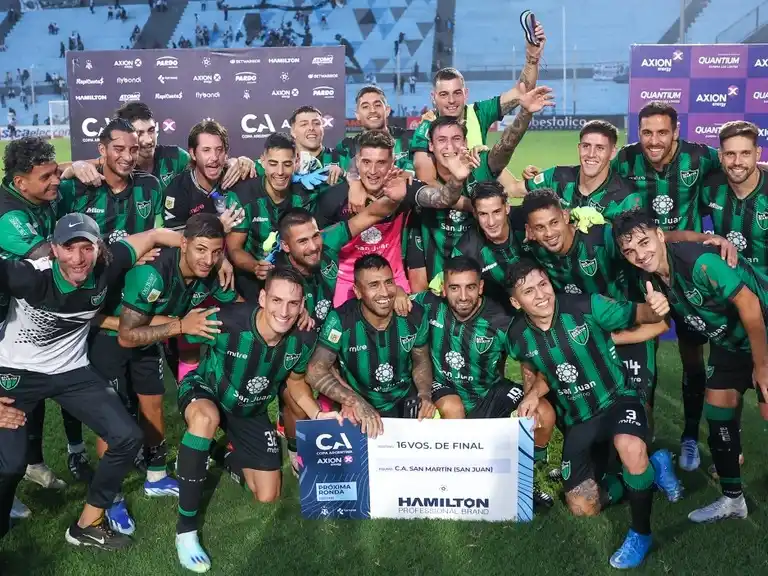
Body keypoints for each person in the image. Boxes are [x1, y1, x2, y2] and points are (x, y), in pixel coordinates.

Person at [0, 213, 182, 548]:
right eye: (69, 248)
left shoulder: (106, 267)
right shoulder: (26, 276)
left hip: (71, 371)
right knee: (9, 465)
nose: (79, 258)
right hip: (17, 373)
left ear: (99, 248)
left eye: (87, 247)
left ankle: (87, 524)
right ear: (54, 249)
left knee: (127, 436)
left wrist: (199, 247)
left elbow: (154, 234)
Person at [505, 259, 678, 569]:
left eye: (543, 284)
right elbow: (542, 372)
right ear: (516, 302)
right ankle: (652, 466)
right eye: (529, 291)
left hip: (617, 400)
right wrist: (531, 395)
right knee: (583, 506)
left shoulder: (587, 305)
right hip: (579, 421)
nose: (541, 295)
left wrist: (656, 305)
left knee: (630, 445)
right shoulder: (517, 336)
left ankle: (640, 533)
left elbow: (640, 314)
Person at [614, 209, 768, 524]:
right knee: (717, 412)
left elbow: (750, 304)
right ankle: (732, 500)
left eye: (645, 243)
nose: (640, 255)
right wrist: (610, 339)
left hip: (761, 328)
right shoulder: (650, 276)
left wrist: (762, 365)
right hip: (728, 342)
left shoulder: (701, 263)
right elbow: (660, 326)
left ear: (659, 235)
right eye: (630, 251)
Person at [174, 267, 329, 573]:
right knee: (205, 418)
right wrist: (188, 365)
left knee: (267, 495)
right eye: (276, 300)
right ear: (262, 297)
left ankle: (220, 453)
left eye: (292, 304)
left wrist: (319, 415)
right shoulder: (227, 319)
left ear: (302, 306)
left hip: (250, 410)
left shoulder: (304, 337)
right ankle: (186, 531)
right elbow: (182, 331)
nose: (283, 311)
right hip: (207, 390)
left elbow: (296, 383)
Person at [612, 101, 723, 471]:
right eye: (646, 132)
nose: (654, 140)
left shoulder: (698, 156)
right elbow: (591, 179)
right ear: (638, 133)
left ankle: (690, 434)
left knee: (694, 359)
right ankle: (644, 436)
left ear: (676, 131)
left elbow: (740, 167)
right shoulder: (626, 160)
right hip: (643, 273)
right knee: (645, 356)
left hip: (686, 273)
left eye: (662, 132)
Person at [411, 256, 556, 506]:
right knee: (452, 408)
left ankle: (530, 473)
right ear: (444, 288)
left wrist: (530, 398)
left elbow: (529, 361)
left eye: (470, 287)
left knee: (543, 413)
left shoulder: (501, 320)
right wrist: (402, 297)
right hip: (444, 388)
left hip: (487, 392)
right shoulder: (428, 304)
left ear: (480, 287)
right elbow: (391, 301)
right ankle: (460, 480)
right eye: (454, 288)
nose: (463, 296)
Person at [410, 86, 552, 291]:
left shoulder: (481, 165)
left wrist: (525, 113)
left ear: (466, 143)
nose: (449, 146)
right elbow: (441, 199)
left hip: (487, 282)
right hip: (441, 286)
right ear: (430, 146)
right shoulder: (421, 184)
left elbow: (505, 147)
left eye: (456, 139)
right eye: (441, 140)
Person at [0, 137, 76, 514]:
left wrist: (78, 166)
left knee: (28, 396)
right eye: (47, 176)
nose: (56, 181)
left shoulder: (38, 197)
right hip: (4, 326)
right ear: (19, 182)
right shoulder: (8, 216)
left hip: (21, 321)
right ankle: (6, 482)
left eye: (57, 172)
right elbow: (50, 257)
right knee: (8, 404)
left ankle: (31, 464)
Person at [316, 129, 474, 305]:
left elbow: (443, 199)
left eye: (381, 162)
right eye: (367, 162)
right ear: (357, 163)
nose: (373, 171)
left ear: (392, 162)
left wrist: (457, 182)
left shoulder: (404, 187)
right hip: (346, 280)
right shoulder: (333, 198)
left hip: (393, 280)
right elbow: (320, 247)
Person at [305, 255, 436, 433]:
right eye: (373, 285)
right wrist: (352, 400)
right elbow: (314, 371)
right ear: (357, 291)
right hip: (358, 398)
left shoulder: (414, 315)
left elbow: (421, 360)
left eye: (389, 282)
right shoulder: (341, 320)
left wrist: (424, 395)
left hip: (403, 398)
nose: (384, 292)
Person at [410, 21, 545, 191]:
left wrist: (532, 58)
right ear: (433, 97)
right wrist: (469, 205)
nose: (451, 100)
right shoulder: (426, 127)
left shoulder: (478, 113)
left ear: (466, 94)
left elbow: (521, 92)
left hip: (480, 201)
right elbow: (427, 182)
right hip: (445, 209)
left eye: (457, 93)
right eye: (444, 94)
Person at [59, 101, 254, 192]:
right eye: (140, 133)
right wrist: (75, 167)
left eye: (151, 130)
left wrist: (237, 161)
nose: (148, 140)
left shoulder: (175, 157)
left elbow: (207, 165)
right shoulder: (118, 162)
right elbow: (61, 169)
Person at [226, 133, 317, 301]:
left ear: (296, 162)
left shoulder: (305, 194)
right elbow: (234, 248)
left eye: (287, 164)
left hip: (295, 278)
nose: (280, 172)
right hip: (251, 279)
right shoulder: (243, 195)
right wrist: (255, 266)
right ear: (262, 161)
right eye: (273, 164)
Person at [518, 120, 644, 217]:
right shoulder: (556, 177)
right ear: (579, 148)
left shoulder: (626, 199)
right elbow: (512, 189)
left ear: (612, 153)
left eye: (600, 148)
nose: (591, 154)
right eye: (586, 146)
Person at [163, 120, 249, 230]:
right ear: (193, 154)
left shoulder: (236, 175)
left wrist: (247, 163)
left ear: (226, 153)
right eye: (206, 150)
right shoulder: (178, 189)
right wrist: (216, 228)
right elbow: (173, 237)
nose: (214, 157)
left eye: (219, 150)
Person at [452, 181, 523, 308]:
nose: (491, 222)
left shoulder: (528, 221)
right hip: (500, 316)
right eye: (483, 214)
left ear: (507, 208)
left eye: (496, 212)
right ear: (474, 214)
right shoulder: (466, 250)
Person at [335, 86, 413, 172]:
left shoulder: (410, 140)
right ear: (357, 114)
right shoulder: (346, 148)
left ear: (387, 110)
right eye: (365, 106)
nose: (372, 110)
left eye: (377, 105)